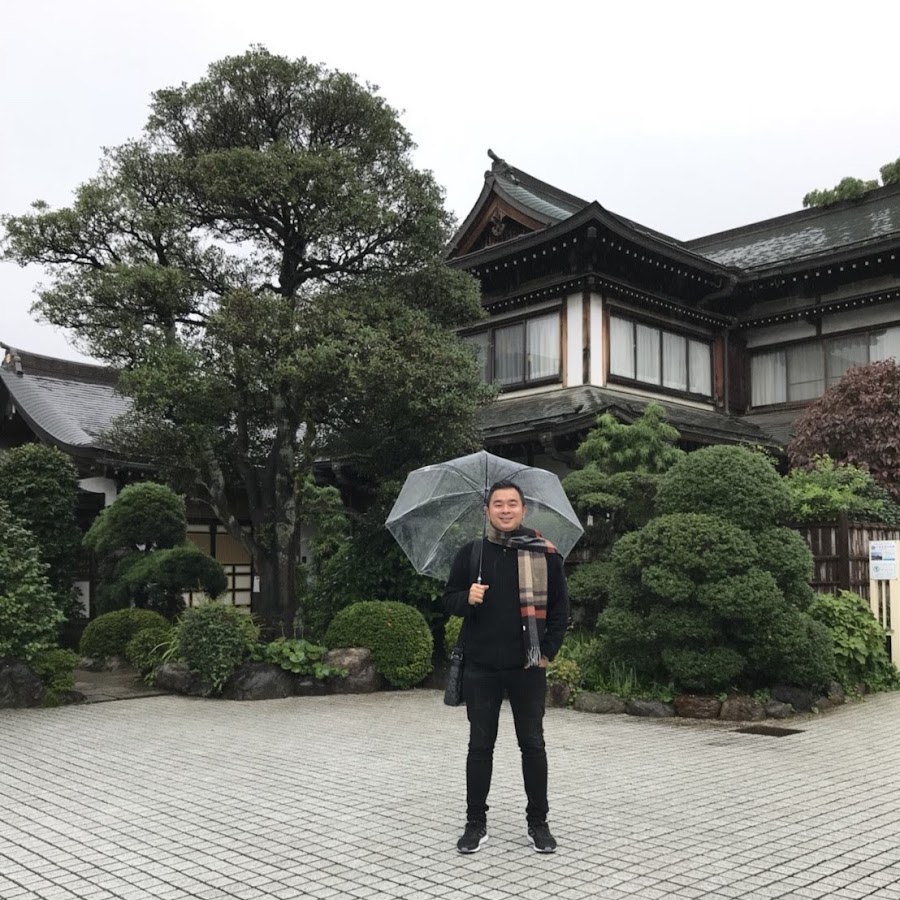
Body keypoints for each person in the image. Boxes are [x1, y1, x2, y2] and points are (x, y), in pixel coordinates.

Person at [442, 479, 570, 854]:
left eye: (512, 503)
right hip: (481, 665)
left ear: (523, 509)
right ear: (487, 511)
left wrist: (547, 651)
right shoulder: (472, 553)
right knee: (480, 746)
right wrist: (466, 598)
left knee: (532, 745)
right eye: (498, 504)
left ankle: (538, 823)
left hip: (527, 667)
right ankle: (475, 823)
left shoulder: (545, 554)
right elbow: (448, 601)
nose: (505, 510)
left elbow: (560, 610)